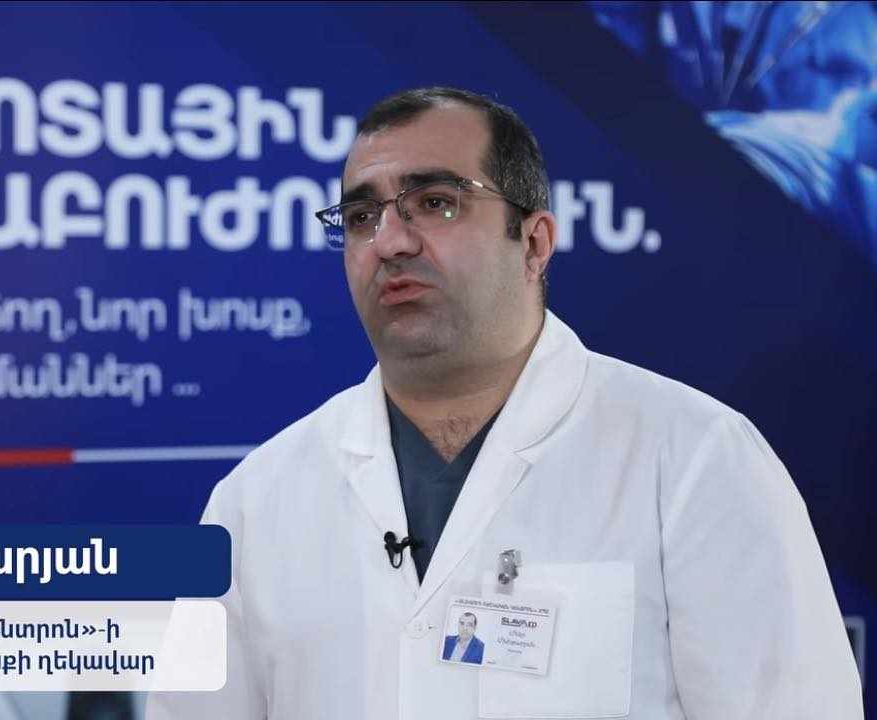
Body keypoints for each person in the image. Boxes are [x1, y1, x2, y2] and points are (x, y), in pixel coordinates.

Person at [147, 87, 862, 719]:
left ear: (534, 241)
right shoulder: (256, 501)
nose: (388, 242)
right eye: (361, 216)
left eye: (435, 202)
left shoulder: (693, 461)